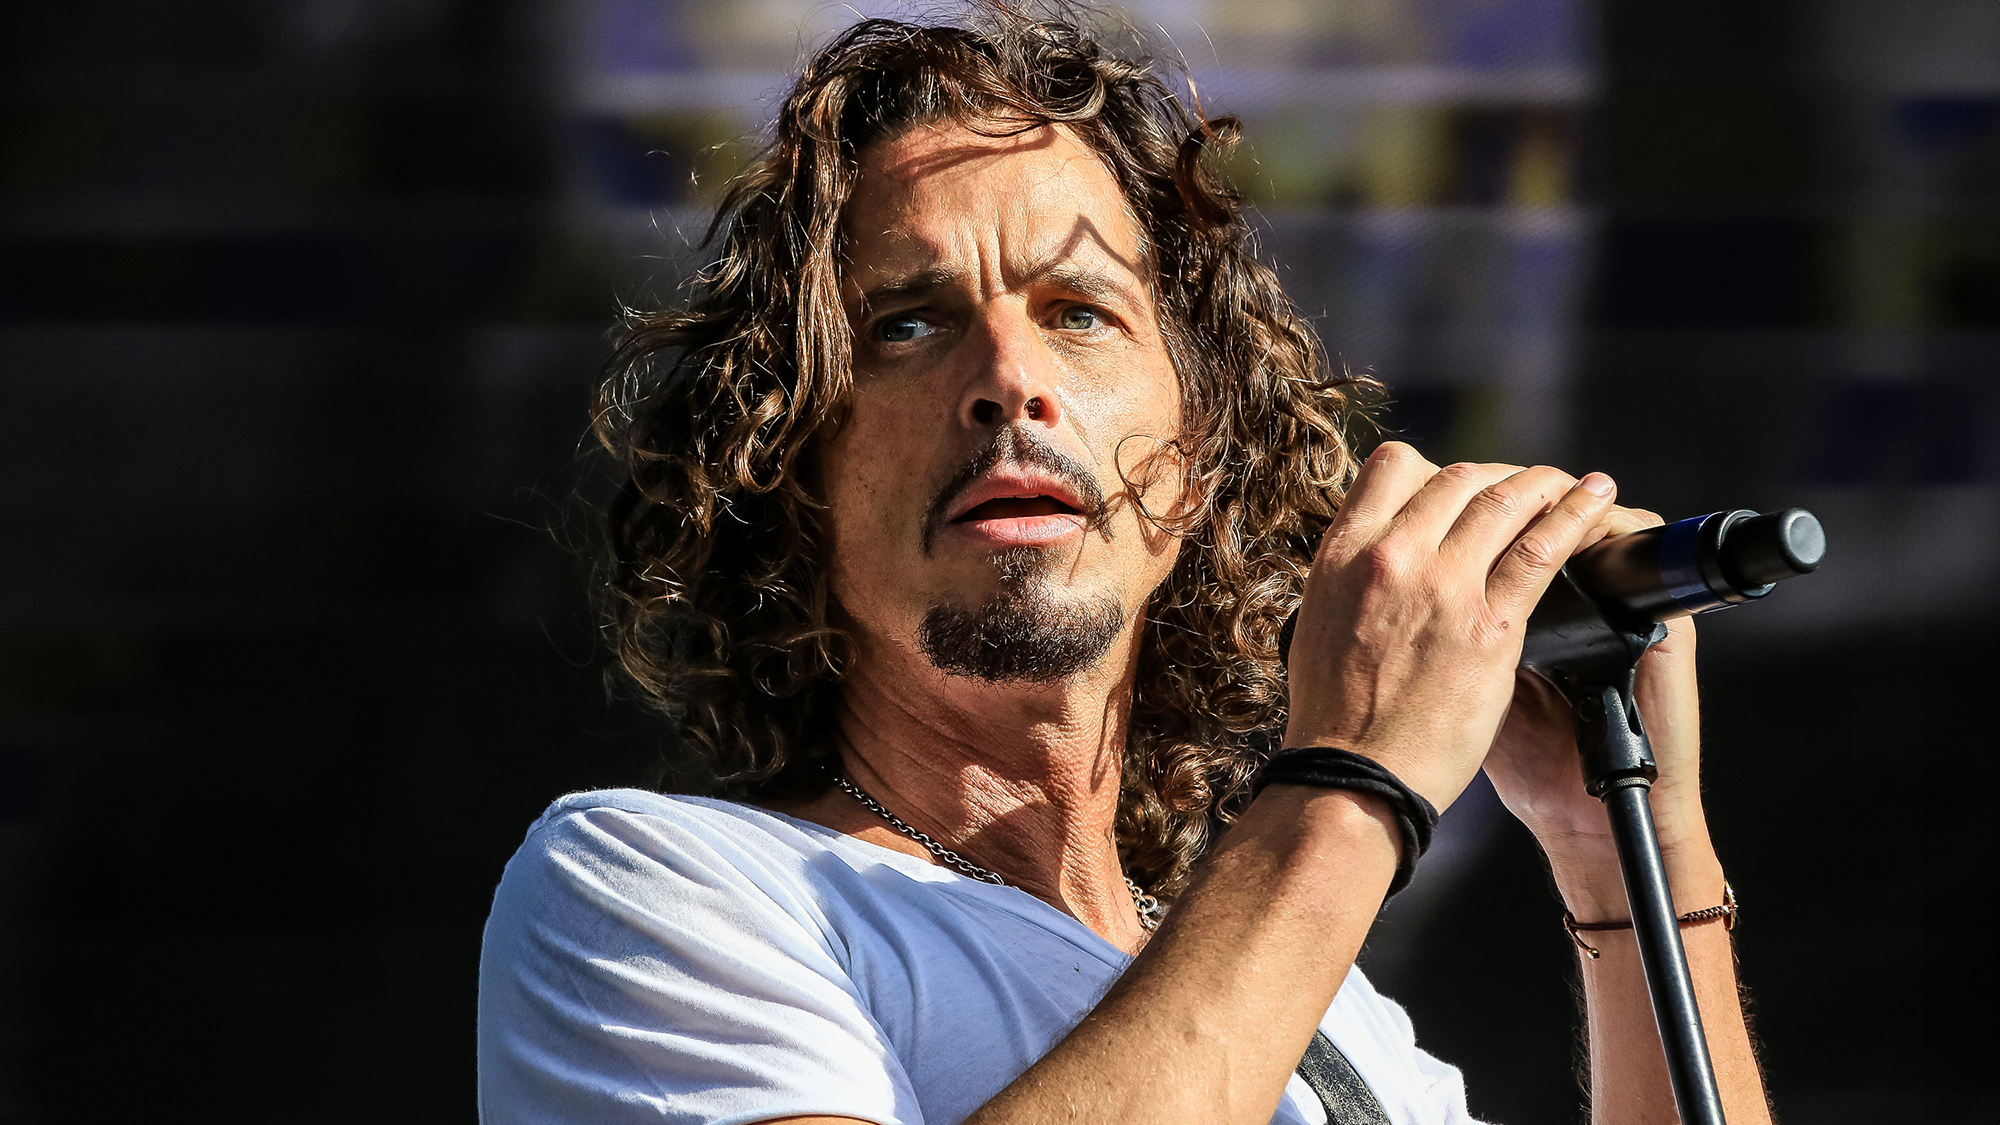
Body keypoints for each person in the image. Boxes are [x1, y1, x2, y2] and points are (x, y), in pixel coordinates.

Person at [477, 10, 1771, 1124]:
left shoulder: (1344, 1033)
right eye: (910, 324)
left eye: (1080, 312)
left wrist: (1632, 846)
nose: (1009, 383)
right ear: (793, 473)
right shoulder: (657, 893)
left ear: (1196, 466)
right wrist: (1351, 780)